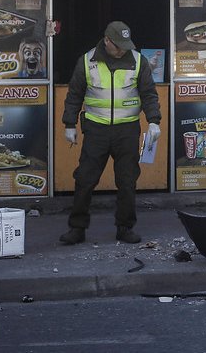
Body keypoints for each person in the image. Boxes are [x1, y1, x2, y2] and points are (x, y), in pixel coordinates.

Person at [59, 21, 161, 245]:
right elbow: (75, 94)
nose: (123, 49)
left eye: (126, 45)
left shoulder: (138, 61)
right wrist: (69, 124)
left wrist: (154, 121)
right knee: (85, 179)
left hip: (127, 130)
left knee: (127, 181)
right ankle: (77, 228)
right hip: (96, 129)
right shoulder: (87, 61)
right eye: (119, 45)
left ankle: (124, 228)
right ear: (107, 40)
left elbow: (149, 93)